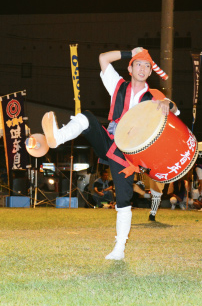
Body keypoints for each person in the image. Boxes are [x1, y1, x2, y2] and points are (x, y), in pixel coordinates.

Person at [41, 47, 178, 260]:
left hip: (130, 155)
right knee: (86, 117)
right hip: (110, 141)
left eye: (147, 66)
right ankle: (57, 138)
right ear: (130, 68)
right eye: (138, 64)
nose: (143, 68)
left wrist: (165, 103)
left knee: (123, 200)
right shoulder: (118, 85)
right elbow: (102, 58)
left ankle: (119, 249)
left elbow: (175, 110)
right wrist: (129, 52)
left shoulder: (154, 96)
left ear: (151, 72)